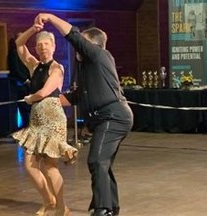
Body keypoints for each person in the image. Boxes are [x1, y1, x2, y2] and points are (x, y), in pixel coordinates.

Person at [34, 13, 134, 216]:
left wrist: (51, 17)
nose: (78, 48)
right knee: (102, 163)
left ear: (93, 45)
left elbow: (74, 36)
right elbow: (75, 96)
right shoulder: (86, 68)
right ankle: (111, 206)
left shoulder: (99, 56)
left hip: (113, 116)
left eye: (83, 44)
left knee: (96, 160)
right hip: (104, 119)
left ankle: (103, 209)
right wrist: (44, 101)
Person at [12, 24, 78, 216]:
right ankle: (49, 200)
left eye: (46, 44)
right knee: (30, 165)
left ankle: (61, 207)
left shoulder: (57, 68)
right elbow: (18, 44)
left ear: (54, 46)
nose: (42, 47)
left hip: (53, 121)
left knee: (50, 167)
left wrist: (30, 98)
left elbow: (44, 92)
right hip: (37, 121)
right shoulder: (33, 65)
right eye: (39, 44)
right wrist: (33, 28)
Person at [7, 36, 31, 129]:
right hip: (20, 85)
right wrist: (26, 80)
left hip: (27, 85)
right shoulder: (13, 53)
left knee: (27, 109)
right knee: (23, 109)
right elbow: (15, 70)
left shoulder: (24, 53)